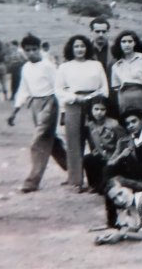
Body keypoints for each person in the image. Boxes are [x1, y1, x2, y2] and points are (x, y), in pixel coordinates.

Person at [6, 34, 67, 193]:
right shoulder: (25, 67)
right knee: (51, 141)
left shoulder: (48, 65)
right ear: (24, 51)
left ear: (39, 49)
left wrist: (63, 111)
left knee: (38, 141)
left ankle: (32, 181)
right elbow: (23, 89)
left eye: (34, 49)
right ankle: (74, 168)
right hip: (35, 104)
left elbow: (58, 87)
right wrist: (15, 110)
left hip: (49, 102)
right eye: (28, 50)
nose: (31, 53)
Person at [55, 35, 110, 191]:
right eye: (76, 46)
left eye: (82, 46)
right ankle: (75, 180)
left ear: (87, 47)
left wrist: (90, 98)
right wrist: (74, 97)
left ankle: (98, 181)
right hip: (73, 105)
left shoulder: (96, 65)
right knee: (74, 143)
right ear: (71, 49)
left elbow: (104, 89)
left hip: (94, 105)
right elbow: (58, 90)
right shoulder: (64, 67)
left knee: (97, 141)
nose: (80, 49)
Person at [83, 97, 128, 193]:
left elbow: (123, 142)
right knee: (87, 159)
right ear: (91, 110)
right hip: (102, 155)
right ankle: (94, 184)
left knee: (106, 186)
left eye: (102, 109)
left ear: (107, 110)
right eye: (96, 109)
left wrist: (114, 158)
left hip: (115, 156)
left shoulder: (114, 124)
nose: (99, 112)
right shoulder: (91, 125)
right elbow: (94, 143)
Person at [110, 30, 142, 113]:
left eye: (130, 41)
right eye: (123, 42)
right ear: (119, 44)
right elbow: (116, 87)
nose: (127, 44)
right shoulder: (116, 65)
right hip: (125, 99)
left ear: (135, 43)